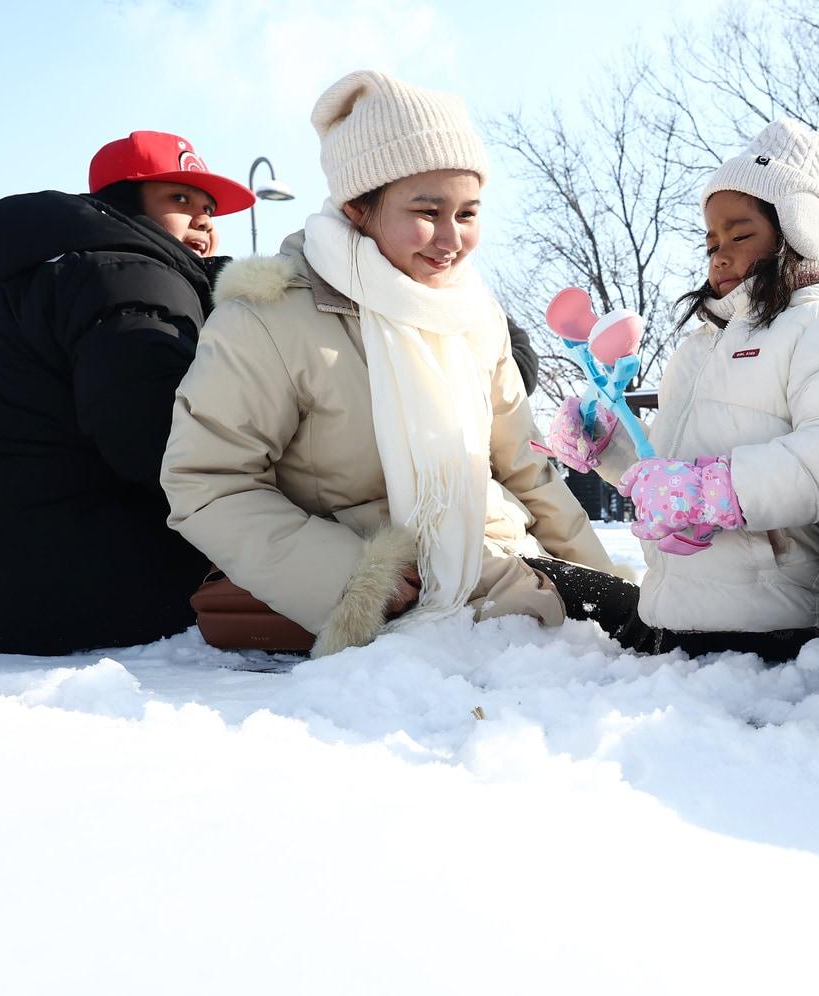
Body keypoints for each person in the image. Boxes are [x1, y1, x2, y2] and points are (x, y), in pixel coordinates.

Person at [161, 71, 632, 658]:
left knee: (662, 624)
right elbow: (206, 483)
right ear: (359, 208)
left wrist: (609, 582)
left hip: (513, 568)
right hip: (407, 604)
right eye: (428, 211)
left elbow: (523, 468)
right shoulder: (269, 319)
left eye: (468, 213)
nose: (451, 239)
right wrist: (353, 578)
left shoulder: (473, 314)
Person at [542, 119, 819, 661]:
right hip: (678, 626)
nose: (719, 254)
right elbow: (665, 474)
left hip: (782, 635)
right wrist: (609, 447)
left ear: (796, 232)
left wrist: (717, 492)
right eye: (711, 240)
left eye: (739, 234)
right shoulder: (700, 347)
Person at [0, 131, 254, 655]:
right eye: (180, 199)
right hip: (75, 592)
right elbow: (160, 446)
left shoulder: (35, 283)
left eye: (208, 207)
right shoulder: (130, 279)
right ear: (123, 204)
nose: (204, 221)